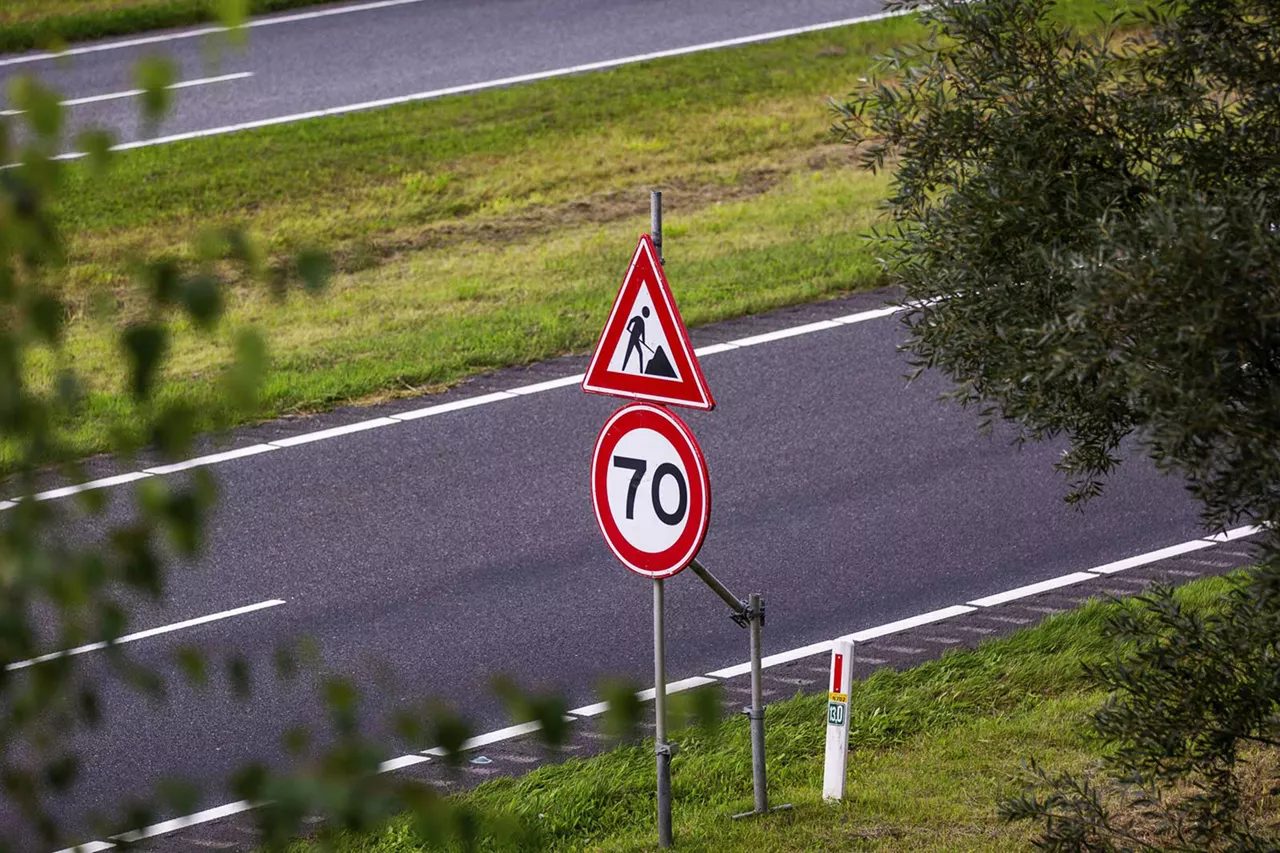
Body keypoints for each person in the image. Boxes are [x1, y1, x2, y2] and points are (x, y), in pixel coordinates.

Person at [622, 306, 649, 372]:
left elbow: (643, 333)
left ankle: (641, 371)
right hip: (632, 338)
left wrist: (643, 341)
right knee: (628, 353)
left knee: (640, 353)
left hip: (636, 339)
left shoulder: (642, 323)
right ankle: (622, 369)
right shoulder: (638, 318)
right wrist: (628, 327)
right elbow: (631, 320)